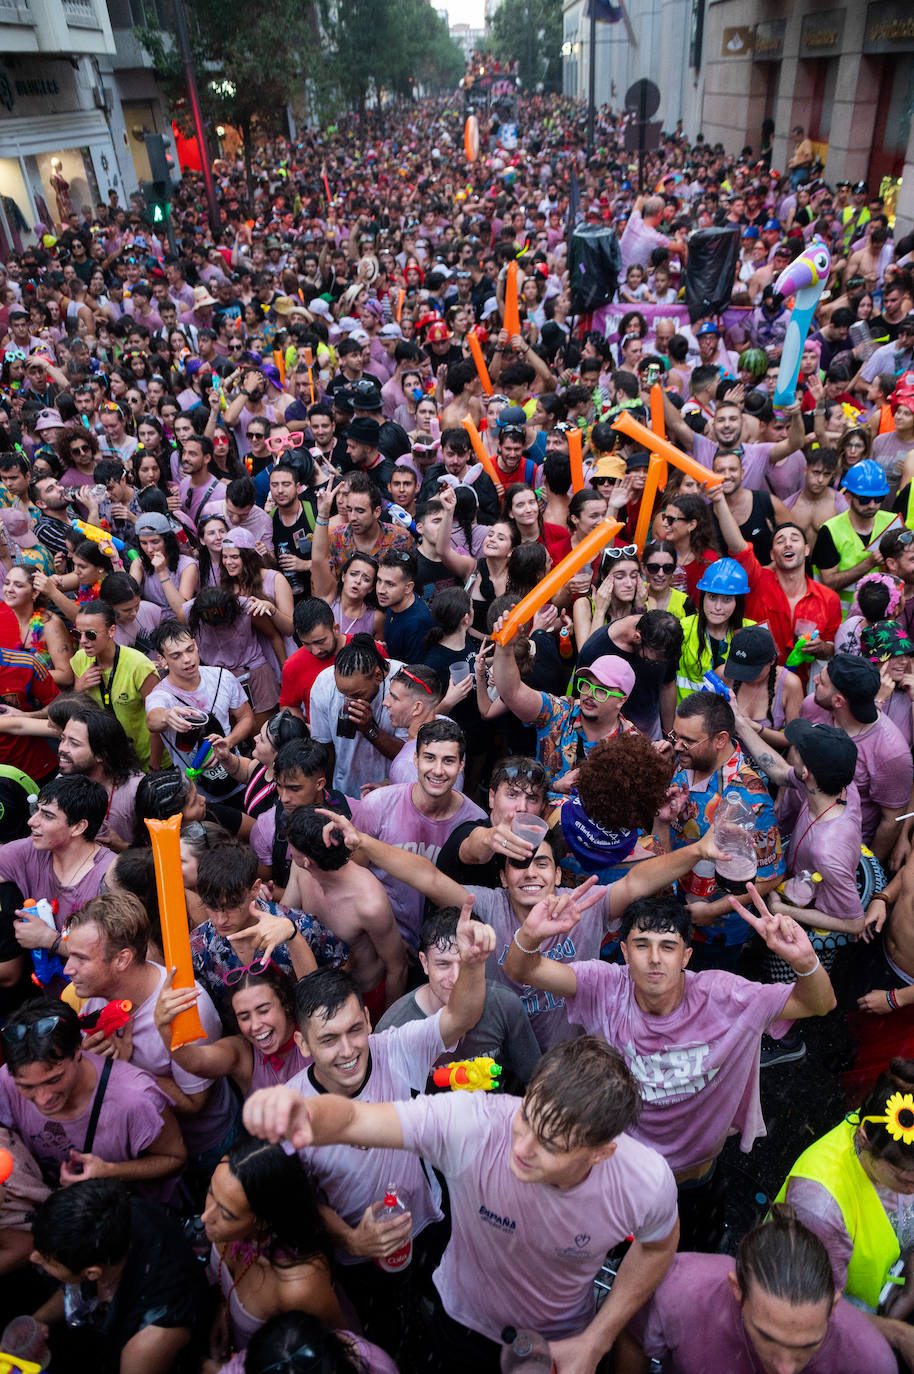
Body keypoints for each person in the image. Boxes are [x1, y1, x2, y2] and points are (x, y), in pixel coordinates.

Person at [244, 1035, 679, 1374]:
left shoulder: (645, 1180)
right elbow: (357, 1118)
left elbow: (658, 1247)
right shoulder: (474, 1124)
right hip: (464, 1321)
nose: (522, 1147)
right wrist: (305, 1112)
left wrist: (598, 1339)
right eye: (526, 1117)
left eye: (551, 1145)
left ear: (602, 1151)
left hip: (562, 1339)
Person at [505, 885, 835, 1243]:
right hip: (619, 1169)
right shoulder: (603, 985)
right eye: (642, 945)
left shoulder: (725, 997)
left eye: (668, 946)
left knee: (688, 1251)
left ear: (686, 957)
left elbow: (818, 1004)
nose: (655, 958)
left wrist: (805, 961)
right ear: (625, 953)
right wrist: (530, 935)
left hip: (693, 1178)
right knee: (610, 1249)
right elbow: (523, 969)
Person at [250, 906, 492, 1358]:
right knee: (385, 1333)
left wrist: (473, 965)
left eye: (354, 1030)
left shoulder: (395, 1049)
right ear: (302, 1043)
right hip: (359, 1257)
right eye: (328, 1040)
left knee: (448, 1315)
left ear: (366, 1017)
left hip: (427, 1223)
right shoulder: (292, 1107)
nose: (348, 1051)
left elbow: (459, 1017)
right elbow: (300, 1202)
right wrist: (350, 1239)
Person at [62, 892, 240, 1184]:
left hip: (206, 1150)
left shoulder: (185, 1009)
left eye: (81, 959)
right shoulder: (95, 998)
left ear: (122, 959)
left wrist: (125, 1067)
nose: (68, 969)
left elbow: (195, 1104)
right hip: (143, 1146)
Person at [618, 1205, 896, 1374]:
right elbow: (634, 1339)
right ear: (736, 1288)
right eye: (767, 1337)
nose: (786, 1368)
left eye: (807, 1345)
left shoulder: (869, 1362)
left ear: (834, 1307)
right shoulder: (680, 1289)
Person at [774, 1057, 914, 1367]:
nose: (912, 1188)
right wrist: (899, 1334)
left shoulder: (884, 1129)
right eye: (904, 1178)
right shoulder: (820, 1208)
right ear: (863, 1137)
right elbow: (815, 1309)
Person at [0, 997, 186, 1189]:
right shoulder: (5, 1081)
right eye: (27, 1087)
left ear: (77, 1050)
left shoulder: (136, 1098)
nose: (43, 1098)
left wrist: (109, 1172)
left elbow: (175, 1158)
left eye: (54, 1080)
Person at [30, 1178, 208, 1374]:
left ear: (92, 1273)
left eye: (47, 1261)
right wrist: (38, 1320)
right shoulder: (114, 1217)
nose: (33, 1257)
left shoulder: (148, 1342)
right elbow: (76, 1285)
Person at [663, 691, 784, 969]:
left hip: (716, 932)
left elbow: (771, 876)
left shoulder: (750, 800)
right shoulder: (686, 763)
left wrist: (713, 910)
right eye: (675, 735)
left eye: (688, 741)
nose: (678, 747)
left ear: (720, 740)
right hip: (676, 908)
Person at [348, 719, 485, 947]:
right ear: (416, 760)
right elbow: (353, 876)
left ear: (461, 765)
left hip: (443, 949)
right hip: (380, 941)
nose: (438, 770)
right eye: (429, 758)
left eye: (448, 761)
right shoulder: (378, 805)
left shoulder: (475, 823)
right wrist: (384, 937)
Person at [203, 1135, 343, 1357]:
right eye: (211, 1191)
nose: (205, 1217)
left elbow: (336, 1350)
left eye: (227, 1214)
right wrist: (224, 1310)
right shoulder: (221, 1225)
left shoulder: (299, 1286)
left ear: (262, 1220)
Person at [377, 903, 541, 1089]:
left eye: (466, 963)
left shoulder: (504, 1004)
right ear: (424, 963)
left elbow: (536, 1080)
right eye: (443, 964)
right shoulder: (395, 1026)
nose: (455, 978)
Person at [280, 805, 409, 1017]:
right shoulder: (301, 868)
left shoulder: (369, 903)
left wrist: (387, 1027)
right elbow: (287, 918)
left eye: (291, 845)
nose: (288, 848)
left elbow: (398, 967)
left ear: (307, 861)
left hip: (363, 996)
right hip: (319, 990)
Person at [0, 775, 114, 991]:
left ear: (78, 827)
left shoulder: (109, 876)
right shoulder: (28, 851)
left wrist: (49, 940)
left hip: (96, 1005)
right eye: (37, 811)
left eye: (48, 816)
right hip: (49, 1002)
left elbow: (113, 956)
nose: (32, 821)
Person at [799, 653, 913, 863]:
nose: (814, 680)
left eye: (821, 682)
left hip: (840, 854)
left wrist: (868, 869)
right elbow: (797, 752)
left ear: (839, 700)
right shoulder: (813, 705)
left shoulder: (891, 753)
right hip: (798, 832)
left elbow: (891, 820)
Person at [712, 487, 841, 669]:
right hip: (754, 680)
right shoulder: (757, 580)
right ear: (772, 554)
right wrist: (719, 501)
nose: (788, 543)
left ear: (806, 550)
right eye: (780, 541)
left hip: (802, 689)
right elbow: (738, 546)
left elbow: (831, 648)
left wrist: (820, 648)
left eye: (795, 539)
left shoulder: (829, 599)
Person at [155, 960, 305, 1097]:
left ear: (285, 1004)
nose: (255, 1025)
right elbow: (196, 1061)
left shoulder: (313, 1030)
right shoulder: (242, 1053)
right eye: (244, 1017)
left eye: (263, 1010)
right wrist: (163, 1026)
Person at [145, 620, 255, 800]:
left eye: (189, 649)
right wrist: (167, 716)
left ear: (196, 645)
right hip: (199, 796)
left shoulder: (221, 677)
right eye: (176, 655)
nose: (187, 659)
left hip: (239, 777)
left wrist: (227, 742)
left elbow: (246, 717)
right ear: (162, 659)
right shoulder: (162, 695)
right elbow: (152, 720)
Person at [308, 634, 403, 796]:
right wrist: (329, 794)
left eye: (357, 694)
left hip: (391, 791)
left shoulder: (403, 684)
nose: (349, 699)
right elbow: (325, 747)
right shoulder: (324, 683)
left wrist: (369, 729)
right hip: (344, 789)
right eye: (343, 693)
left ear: (378, 676)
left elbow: (410, 753)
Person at [70, 600, 159, 770]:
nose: (82, 641)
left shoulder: (139, 665)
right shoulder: (80, 660)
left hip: (146, 758)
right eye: (76, 634)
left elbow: (158, 721)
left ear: (112, 631)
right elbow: (80, 710)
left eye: (90, 634)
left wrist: (154, 766)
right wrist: (78, 689)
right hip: (108, 759)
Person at [812, 460, 898, 613]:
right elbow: (828, 583)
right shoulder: (830, 530)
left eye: (878, 498)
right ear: (848, 497)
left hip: (884, 616)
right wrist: (868, 563)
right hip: (842, 619)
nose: (872, 505)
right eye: (864, 499)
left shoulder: (892, 523)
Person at [675, 558, 753, 699]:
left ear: (738, 602)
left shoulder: (752, 632)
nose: (717, 607)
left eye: (727, 599)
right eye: (712, 597)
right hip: (688, 716)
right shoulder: (682, 629)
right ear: (703, 597)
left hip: (732, 717)